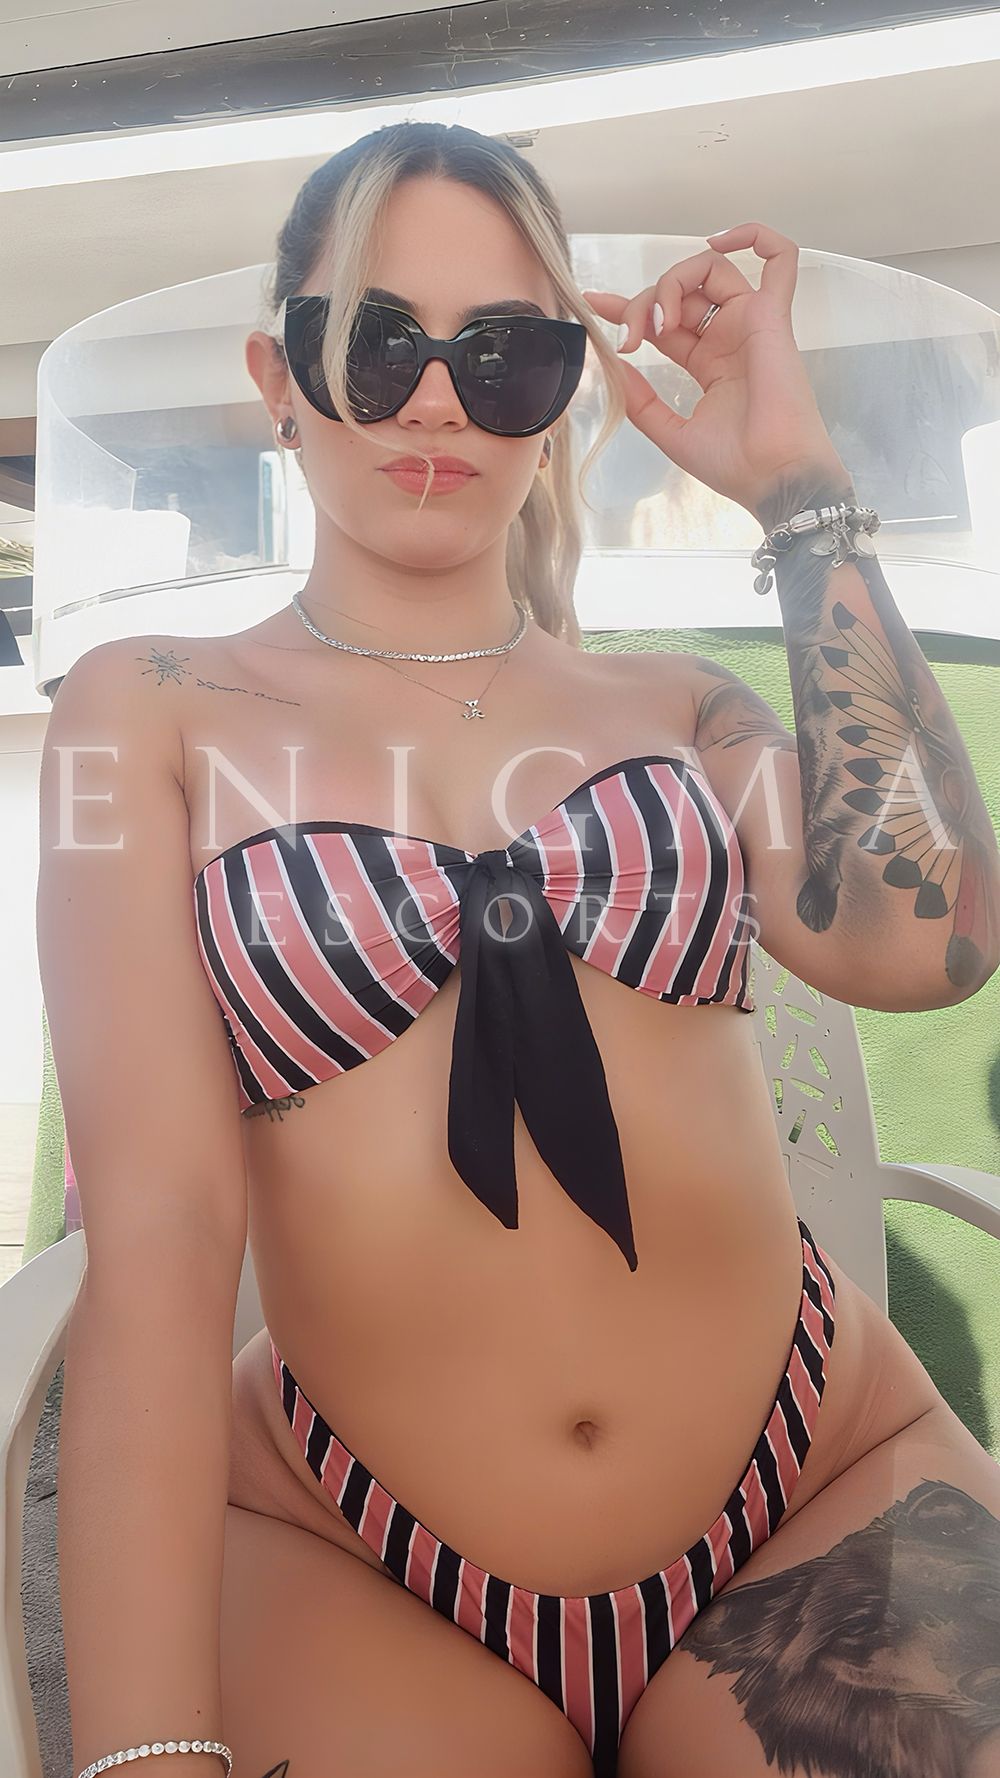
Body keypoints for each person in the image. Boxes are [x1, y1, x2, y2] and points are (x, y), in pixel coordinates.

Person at [38, 122, 1000, 1778]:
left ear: (562, 390)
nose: (435, 400)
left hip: (818, 1483)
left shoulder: (678, 706)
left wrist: (796, 486)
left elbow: (938, 936)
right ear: (282, 373)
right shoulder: (151, 709)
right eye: (379, 341)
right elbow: (162, 1244)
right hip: (358, 1554)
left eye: (504, 354)